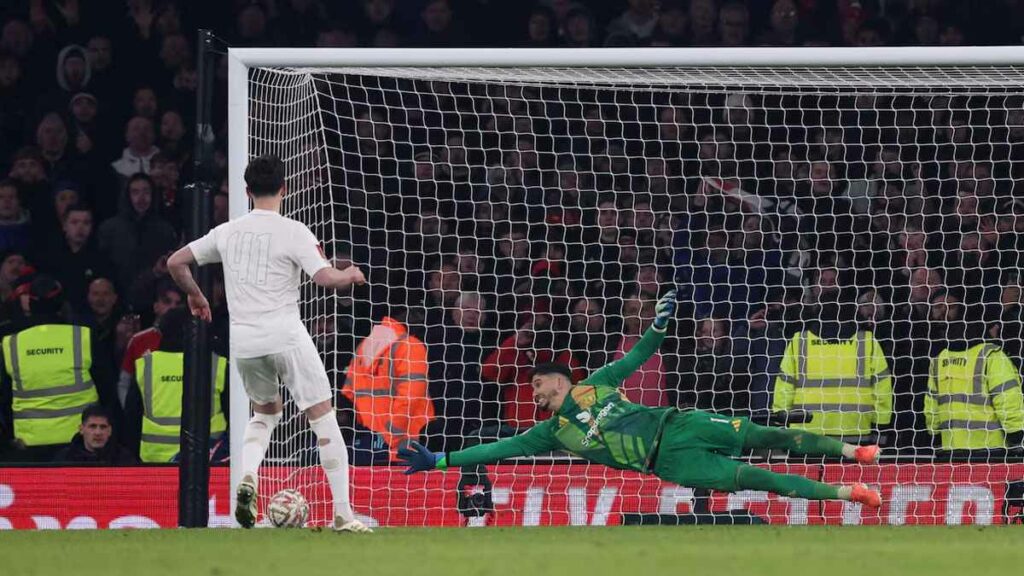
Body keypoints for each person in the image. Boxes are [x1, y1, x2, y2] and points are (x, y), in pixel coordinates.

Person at [399, 289, 883, 509]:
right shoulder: (552, 433)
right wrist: (442, 459)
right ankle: (850, 495)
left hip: (680, 423)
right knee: (756, 478)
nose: (535, 396)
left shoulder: (598, 382)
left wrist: (659, 320)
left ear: (555, 379)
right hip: (667, 463)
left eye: (536, 387)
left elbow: (643, 351)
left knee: (764, 433)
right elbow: (495, 451)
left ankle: (851, 453)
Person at [166, 154, 371, 533]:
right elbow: (325, 278)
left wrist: (196, 296)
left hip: (244, 341)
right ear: (284, 189)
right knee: (323, 416)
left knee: (264, 414)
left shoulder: (226, 232)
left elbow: (176, 262)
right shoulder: (293, 230)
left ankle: (248, 477)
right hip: (285, 334)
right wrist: (351, 274)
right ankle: (343, 513)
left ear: (246, 192)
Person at [0, 275, 100, 462]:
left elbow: (5, 399)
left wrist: (8, 439)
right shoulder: (82, 337)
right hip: (80, 440)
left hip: (28, 444)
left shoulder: (11, 344)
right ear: (62, 304)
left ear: (30, 303)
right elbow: (107, 388)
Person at [772, 288, 893, 440]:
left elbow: (784, 386)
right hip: (855, 431)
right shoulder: (867, 341)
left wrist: (781, 422)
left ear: (817, 311)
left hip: (806, 433)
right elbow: (882, 387)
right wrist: (880, 426)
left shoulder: (800, 342)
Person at [127, 307, 226, 463]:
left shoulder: (145, 365)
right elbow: (231, 412)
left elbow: (131, 416)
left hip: (155, 459)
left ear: (161, 332)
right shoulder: (216, 364)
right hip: (206, 458)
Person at [925, 300, 1024, 452]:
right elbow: (1008, 399)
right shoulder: (991, 355)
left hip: (951, 450)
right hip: (991, 450)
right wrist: (1017, 437)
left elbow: (931, 407)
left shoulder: (939, 359)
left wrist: (936, 437)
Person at [342, 308, 433, 462]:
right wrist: (391, 436)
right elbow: (410, 397)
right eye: (419, 313)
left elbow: (348, 393)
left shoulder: (363, 347)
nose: (422, 320)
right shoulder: (410, 346)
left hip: (369, 446)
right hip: (409, 445)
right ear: (407, 313)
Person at [52, 403, 137, 465]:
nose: (98, 433)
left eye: (103, 427)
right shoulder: (65, 458)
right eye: (92, 426)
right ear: (81, 429)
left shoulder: (124, 458)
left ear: (110, 431)